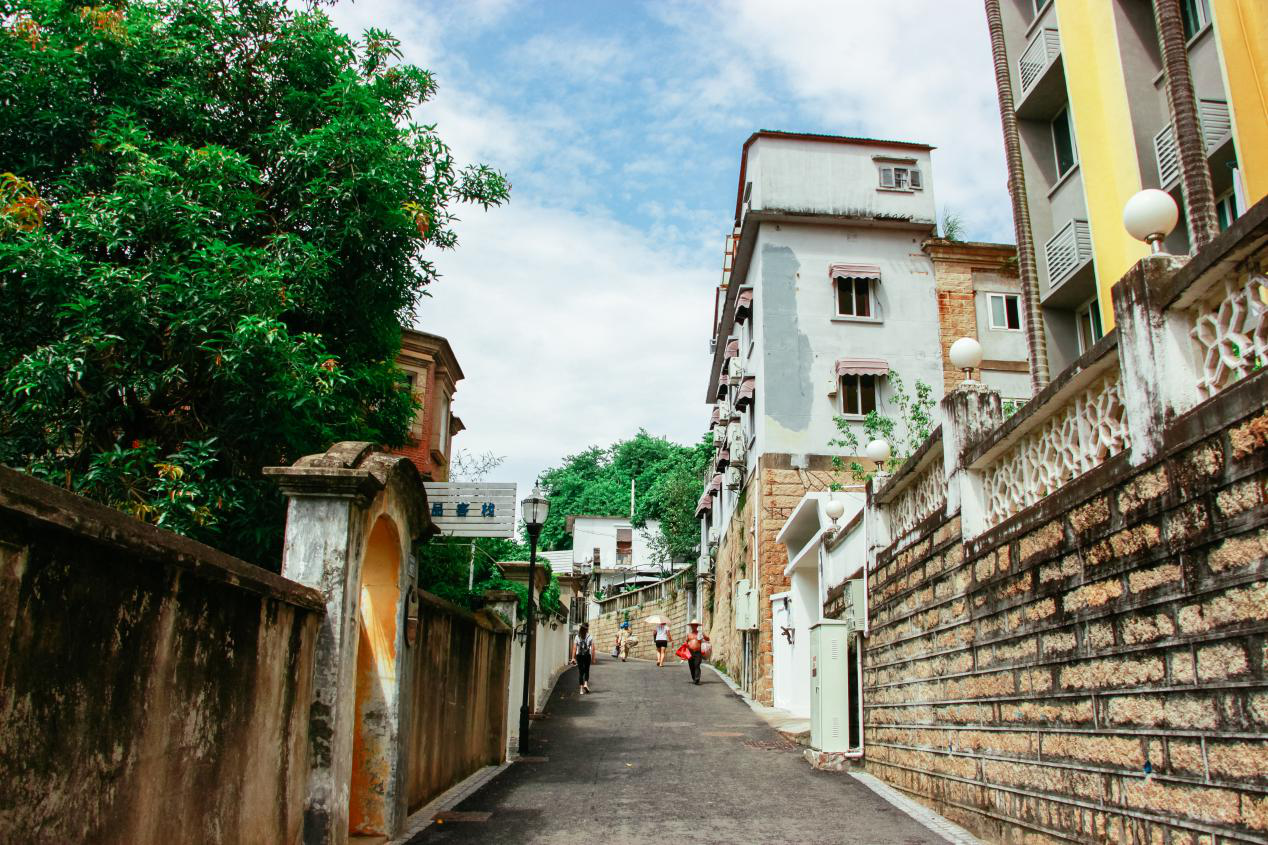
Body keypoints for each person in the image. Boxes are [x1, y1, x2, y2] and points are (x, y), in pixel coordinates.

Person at [571, 623, 594, 694]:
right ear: (587, 629)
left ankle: (581, 690)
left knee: (581, 673)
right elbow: (593, 648)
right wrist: (593, 658)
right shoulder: (590, 636)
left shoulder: (577, 636)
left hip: (579, 656)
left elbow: (575, 648)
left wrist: (573, 658)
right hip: (587, 656)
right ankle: (586, 684)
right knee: (587, 671)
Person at [684, 619, 710, 685]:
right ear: (691, 626)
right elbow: (686, 642)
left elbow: (708, 639)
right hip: (690, 652)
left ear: (697, 626)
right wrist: (685, 646)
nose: (694, 626)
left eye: (695, 625)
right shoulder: (689, 635)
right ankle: (694, 678)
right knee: (691, 666)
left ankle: (697, 678)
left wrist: (704, 636)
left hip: (698, 652)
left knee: (697, 665)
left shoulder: (700, 633)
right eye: (692, 625)